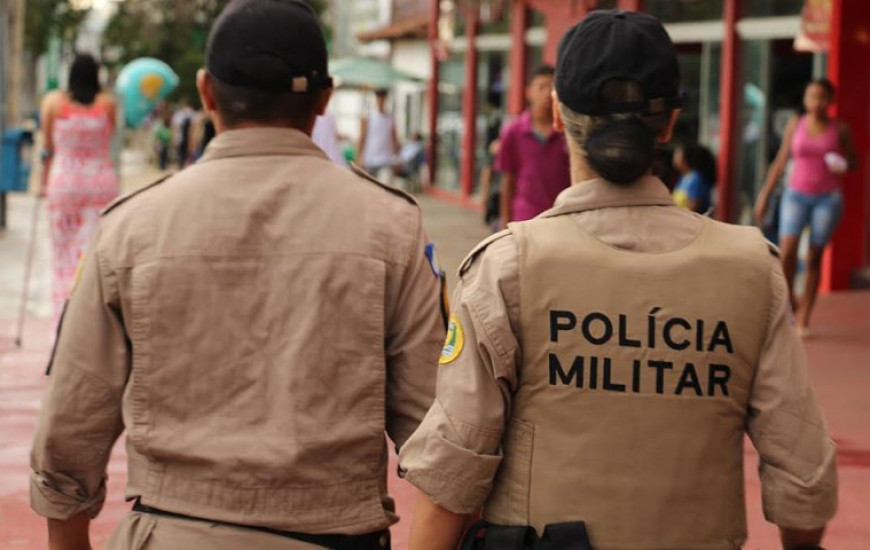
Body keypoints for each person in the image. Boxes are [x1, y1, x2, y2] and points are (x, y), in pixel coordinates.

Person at [399, 10, 837, 550]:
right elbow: (803, 474)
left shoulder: (508, 267)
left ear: (558, 114)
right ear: (671, 124)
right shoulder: (751, 270)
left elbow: (453, 476)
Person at [30, 1, 446, 548]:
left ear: (206, 93)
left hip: (169, 532)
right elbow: (439, 435)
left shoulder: (131, 229)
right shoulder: (391, 227)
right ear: (325, 98)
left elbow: (70, 427)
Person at [755, 78, 856, 336]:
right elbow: (781, 159)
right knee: (787, 250)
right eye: (812, 96)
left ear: (830, 101)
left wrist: (843, 163)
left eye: (822, 97)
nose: (817, 102)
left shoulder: (839, 129)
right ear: (805, 99)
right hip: (796, 193)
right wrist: (765, 194)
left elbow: (854, 162)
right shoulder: (796, 124)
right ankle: (790, 300)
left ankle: (804, 317)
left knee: (814, 255)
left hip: (827, 197)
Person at [39, 53, 119, 319]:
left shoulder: (53, 103)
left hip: (65, 184)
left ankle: (62, 318)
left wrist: (42, 185)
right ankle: (91, 317)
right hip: (100, 184)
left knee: (63, 256)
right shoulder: (107, 105)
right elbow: (110, 137)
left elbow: (48, 148)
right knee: (95, 255)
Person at [497, 65, 571, 229]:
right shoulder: (513, 131)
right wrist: (505, 224)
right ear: (529, 92)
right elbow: (508, 181)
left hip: (562, 219)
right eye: (541, 87)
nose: (547, 93)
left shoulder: (569, 131)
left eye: (552, 87)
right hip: (525, 219)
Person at [359, 89, 399, 181]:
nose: (381, 100)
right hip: (369, 160)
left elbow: (394, 139)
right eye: (379, 98)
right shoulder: (368, 116)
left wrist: (397, 158)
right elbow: (362, 137)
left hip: (386, 159)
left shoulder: (391, 117)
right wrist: (359, 157)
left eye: (383, 98)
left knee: (385, 186)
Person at [672, 142, 716, 214]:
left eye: (678, 155)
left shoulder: (696, 179)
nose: (674, 158)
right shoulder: (683, 177)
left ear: (686, 158)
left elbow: (694, 207)